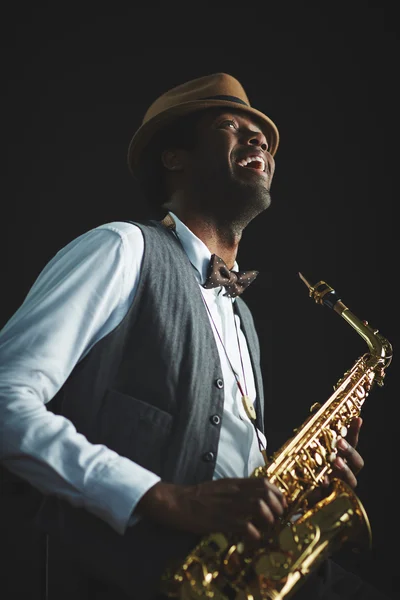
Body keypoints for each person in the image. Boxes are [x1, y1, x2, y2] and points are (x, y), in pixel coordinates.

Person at [0, 73, 390, 600]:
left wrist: (298, 498)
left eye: (264, 136)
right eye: (232, 126)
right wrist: (163, 499)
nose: (259, 140)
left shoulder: (244, 322)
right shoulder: (120, 248)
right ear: (175, 157)